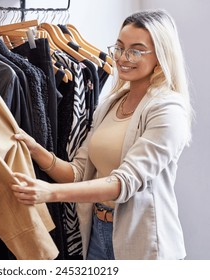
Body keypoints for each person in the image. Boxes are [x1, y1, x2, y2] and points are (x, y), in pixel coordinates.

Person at [10, 9, 193, 260]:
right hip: (97, 233)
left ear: (161, 56)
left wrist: (49, 193)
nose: (122, 57)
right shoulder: (110, 104)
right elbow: (78, 172)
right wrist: (36, 150)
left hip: (143, 242)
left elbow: (124, 183)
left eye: (136, 50)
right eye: (119, 47)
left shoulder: (168, 110)